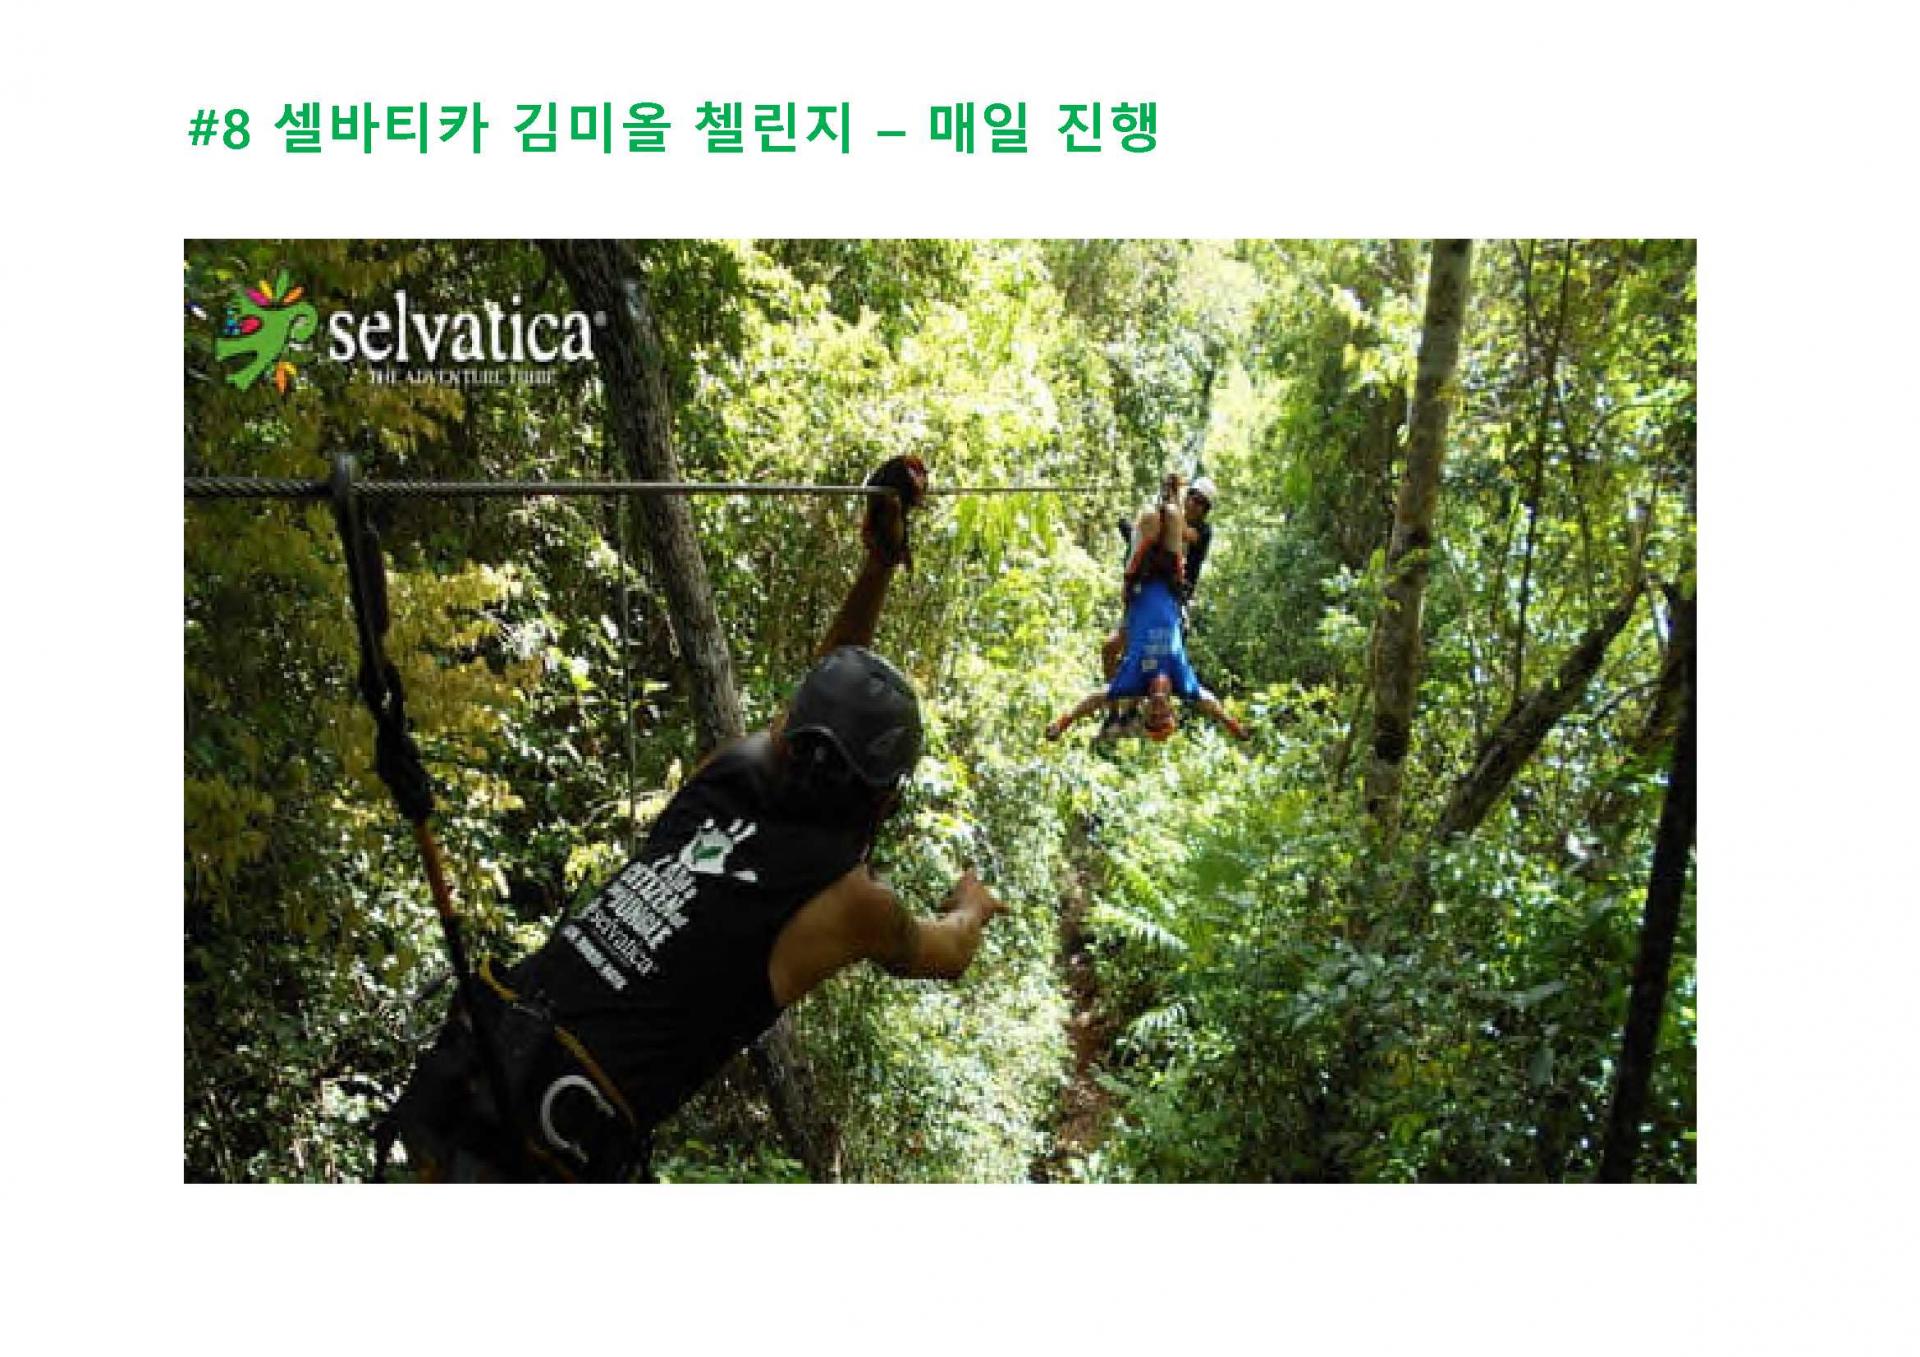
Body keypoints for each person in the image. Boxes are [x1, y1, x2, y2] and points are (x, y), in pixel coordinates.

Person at [384, 456, 1009, 1182]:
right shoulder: (852, 904)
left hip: (477, 1063)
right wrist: (972, 904)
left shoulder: (730, 772)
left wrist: (878, 564)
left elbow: (823, 691)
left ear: (788, 738)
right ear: (884, 800)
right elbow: (946, 951)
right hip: (543, 1144)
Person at [1046, 541, 1249, 745]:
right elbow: (1210, 703)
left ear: (1145, 711)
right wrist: (1234, 726)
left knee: (1149, 527)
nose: (1157, 711)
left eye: (1153, 716)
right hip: (1172, 577)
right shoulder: (1183, 683)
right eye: (1162, 715)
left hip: (1139, 575)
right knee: (1174, 523)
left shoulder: (1133, 682)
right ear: (1172, 710)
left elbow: (1095, 699)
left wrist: (1063, 723)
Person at [1100, 473, 1219, 685]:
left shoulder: (1203, 532)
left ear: (1205, 510)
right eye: (1192, 496)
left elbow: (1182, 532)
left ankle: (1152, 696)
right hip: (1146, 594)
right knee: (1111, 649)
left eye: (1201, 502)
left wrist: (1173, 496)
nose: (1193, 504)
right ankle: (1116, 699)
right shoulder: (1170, 519)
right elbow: (1155, 530)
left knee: (1157, 667)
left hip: (1174, 601)